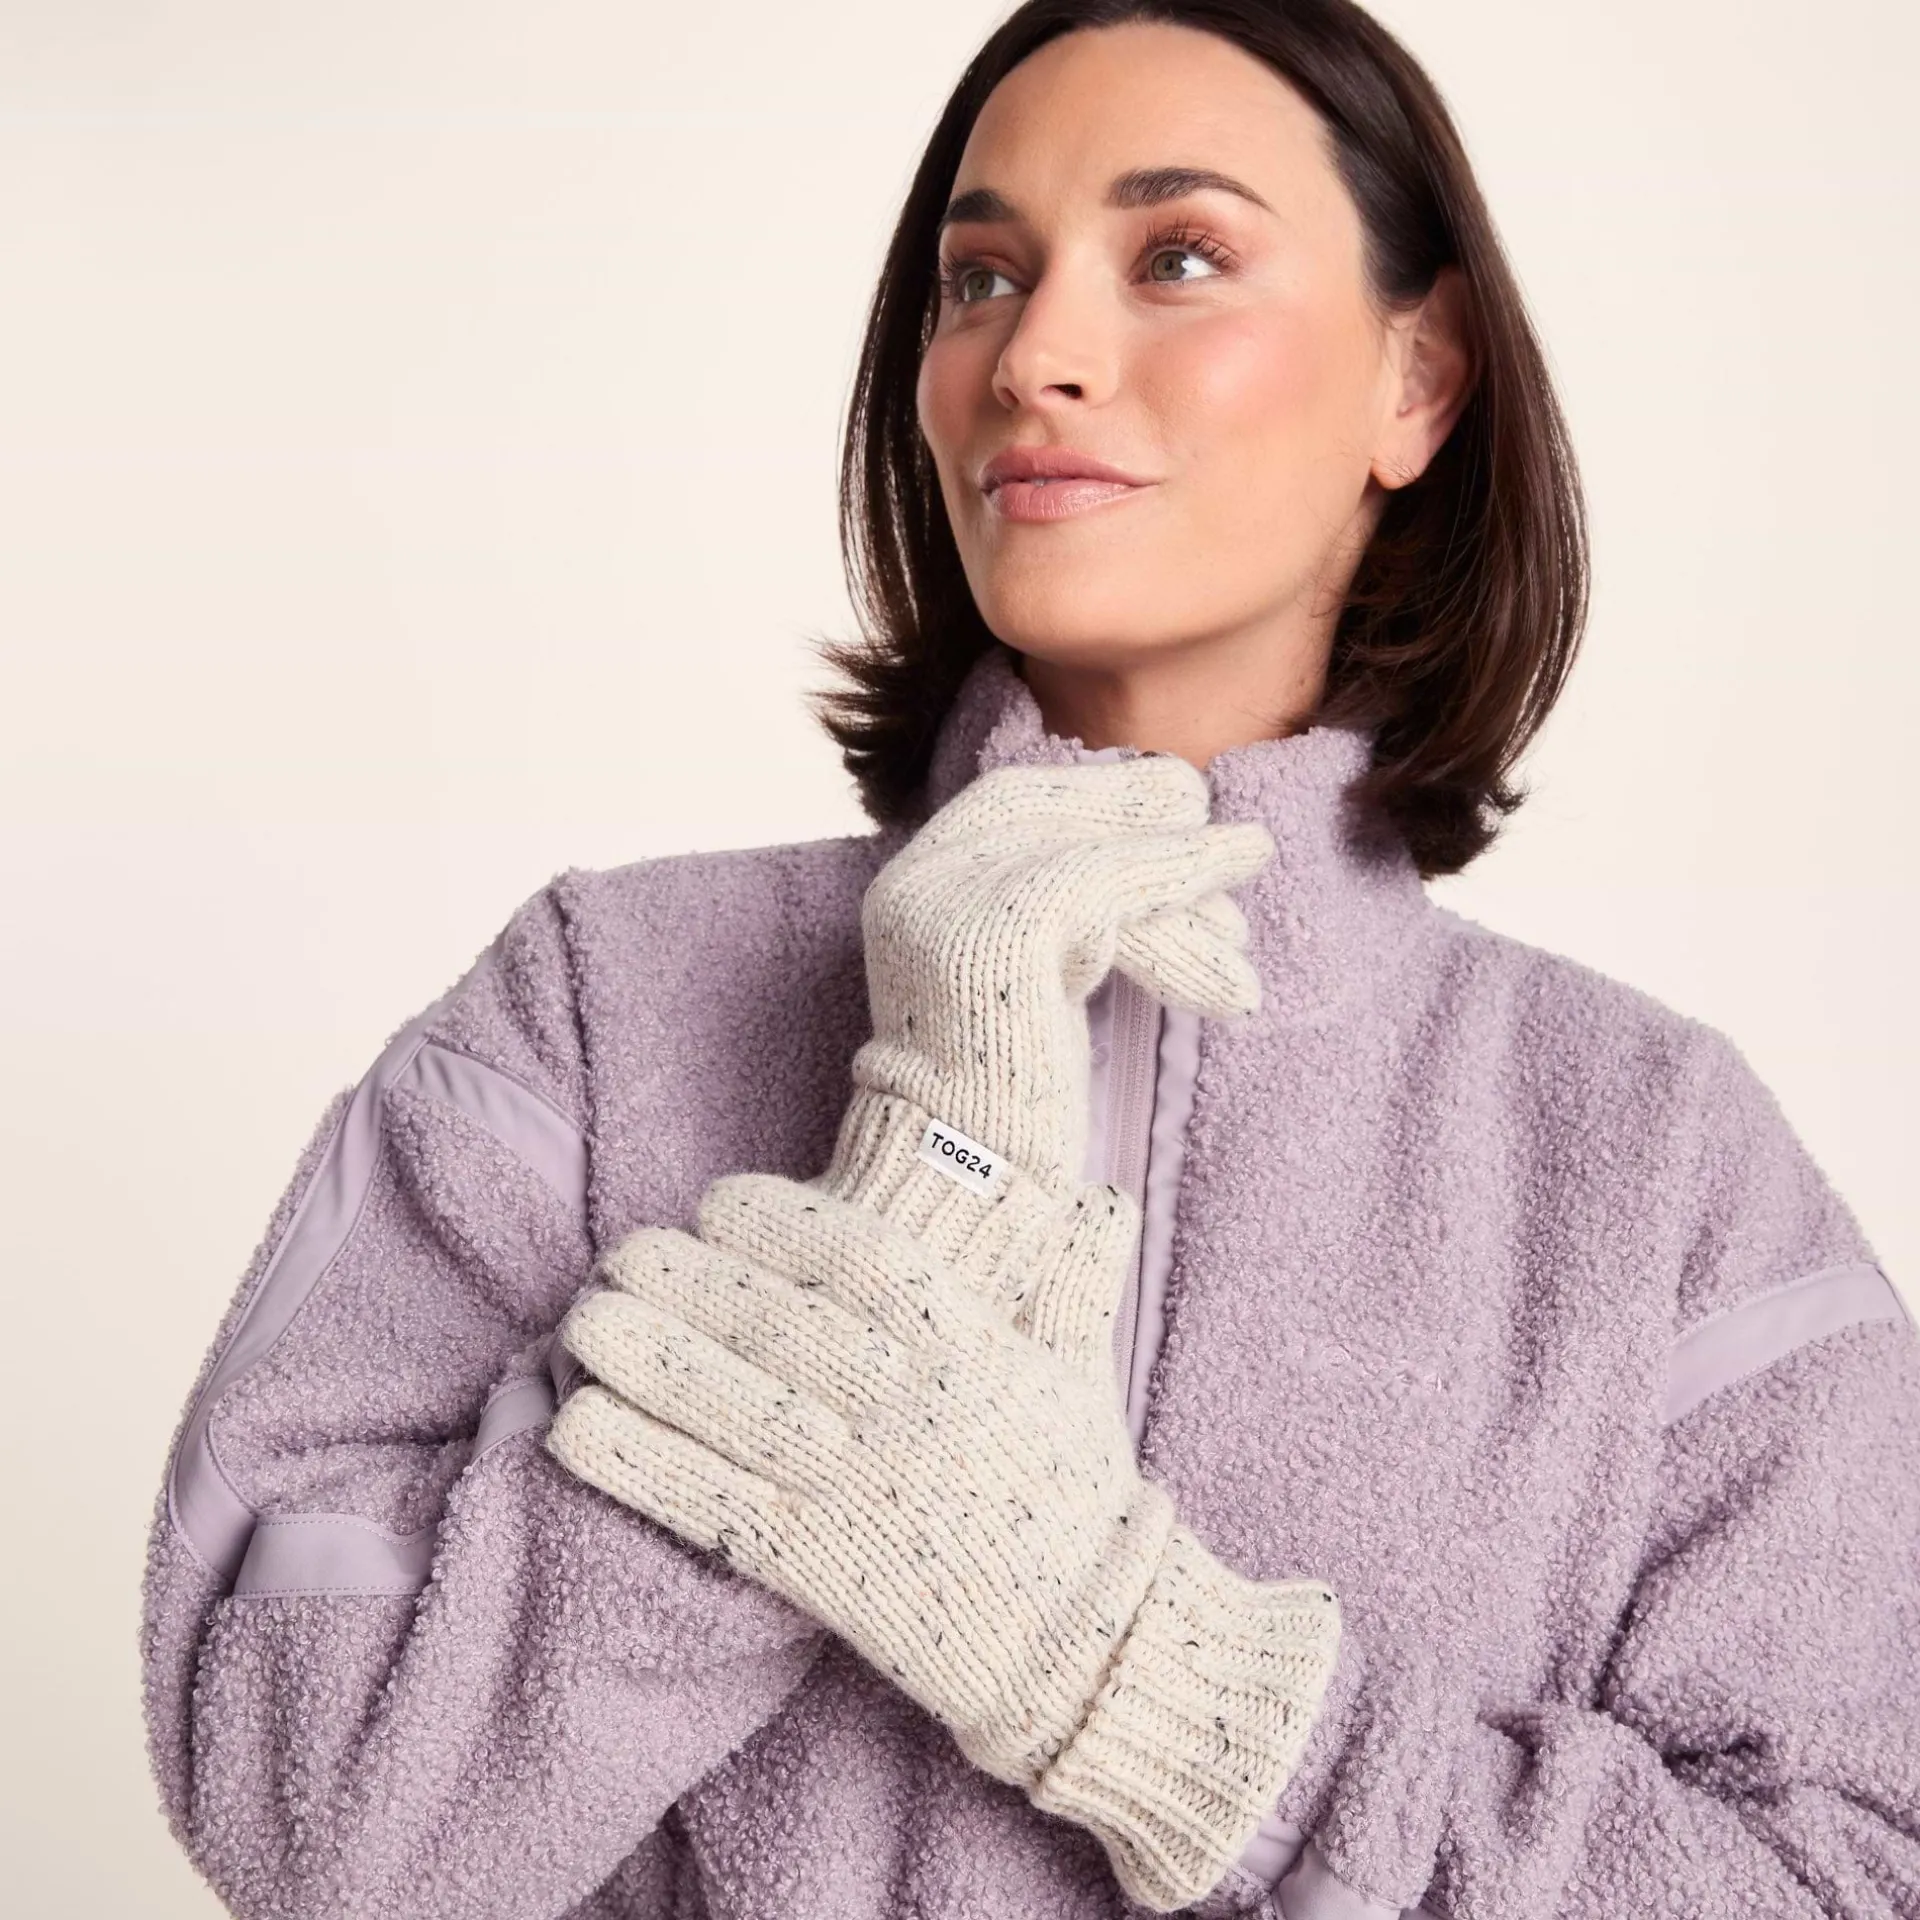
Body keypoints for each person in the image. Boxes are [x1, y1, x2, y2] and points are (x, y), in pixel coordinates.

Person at [139, 3, 1918, 1916]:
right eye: (980, 278)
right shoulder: (590, 1005)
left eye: (1180, 256)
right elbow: (308, 1823)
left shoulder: (1657, 1162)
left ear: (1418, 381)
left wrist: (1129, 1673)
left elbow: (1848, 1873)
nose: (1034, 355)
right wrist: (921, 1199)